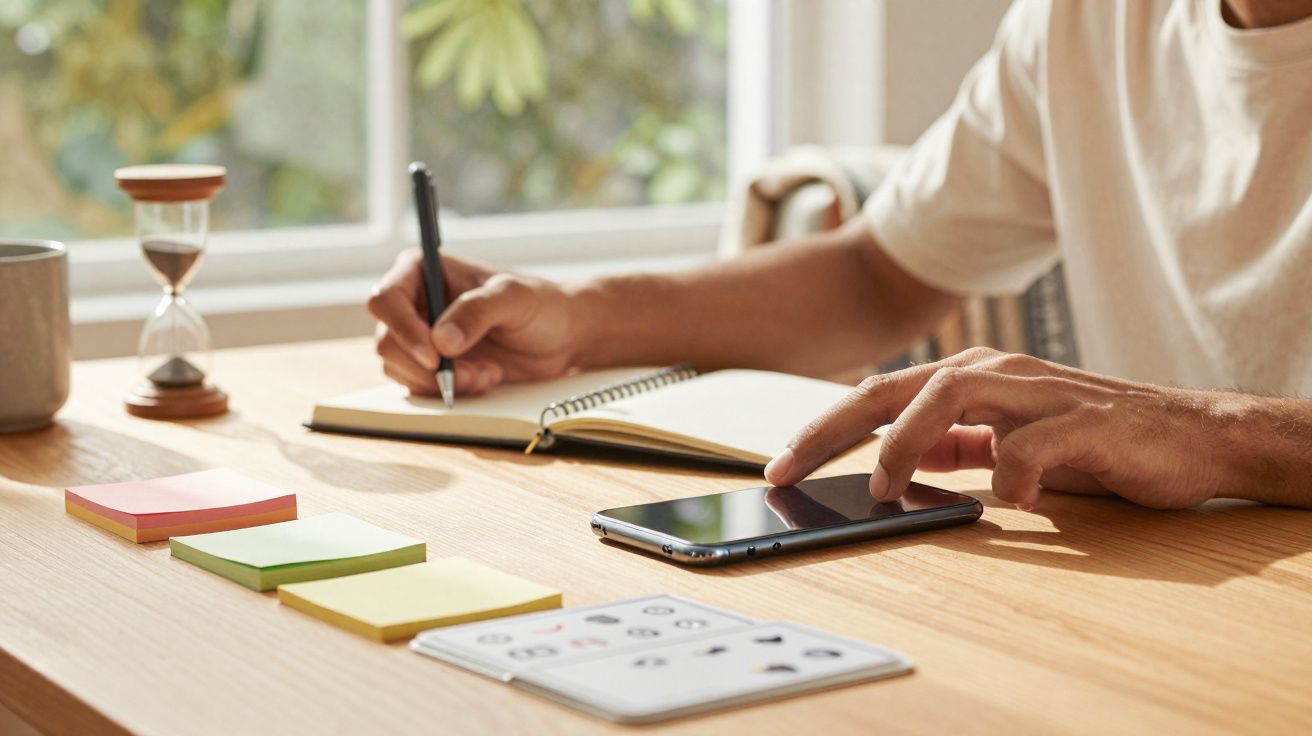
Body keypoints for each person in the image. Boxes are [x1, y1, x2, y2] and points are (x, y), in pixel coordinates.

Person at [369, 0, 1312, 511]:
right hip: (1165, 582)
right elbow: (876, 275)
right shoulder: (1083, 22)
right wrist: (578, 317)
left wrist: (1220, 434)